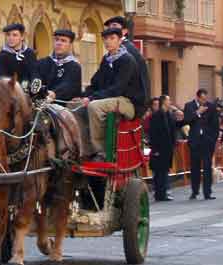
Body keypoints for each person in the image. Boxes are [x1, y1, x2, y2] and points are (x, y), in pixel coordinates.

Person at [75, 27, 143, 161]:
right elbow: (95, 83)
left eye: (112, 38)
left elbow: (117, 89)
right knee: (75, 107)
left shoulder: (127, 60)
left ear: (119, 41)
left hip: (127, 102)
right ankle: (84, 148)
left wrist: (92, 98)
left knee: (94, 107)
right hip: (111, 99)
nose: (108, 42)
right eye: (105, 39)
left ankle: (101, 151)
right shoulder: (106, 60)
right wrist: (83, 96)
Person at [104, 16, 151, 118]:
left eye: (115, 26)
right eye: (109, 27)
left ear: (124, 31)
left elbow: (121, 84)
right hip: (121, 96)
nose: (111, 28)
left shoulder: (126, 51)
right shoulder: (111, 53)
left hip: (131, 101)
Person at [184, 89, 219, 200]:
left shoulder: (211, 107)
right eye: (202, 99)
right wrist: (198, 112)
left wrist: (213, 139)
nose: (205, 101)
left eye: (206, 99)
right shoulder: (189, 106)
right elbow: (187, 120)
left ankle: (207, 192)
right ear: (198, 97)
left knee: (207, 167)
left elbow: (215, 125)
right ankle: (195, 191)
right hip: (195, 141)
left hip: (207, 142)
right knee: (195, 167)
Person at [37, 29, 82, 102]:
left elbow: (68, 85)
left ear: (70, 45)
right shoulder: (42, 62)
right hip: (41, 102)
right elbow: (37, 79)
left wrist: (54, 93)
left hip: (64, 105)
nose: (59, 43)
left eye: (63, 41)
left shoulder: (74, 66)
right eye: (56, 40)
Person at [149, 95, 178, 202]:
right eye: (168, 100)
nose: (170, 102)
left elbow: (172, 130)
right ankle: (159, 194)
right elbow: (153, 133)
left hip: (167, 148)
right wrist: (155, 149)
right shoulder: (156, 116)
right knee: (159, 172)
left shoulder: (169, 115)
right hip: (159, 148)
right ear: (164, 102)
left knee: (164, 170)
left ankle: (163, 193)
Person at [0, 23, 39, 89]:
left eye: (15, 35)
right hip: (10, 94)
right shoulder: (1, 57)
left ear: (22, 37)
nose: (10, 38)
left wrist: (35, 85)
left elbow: (35, 73)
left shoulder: (30, 53)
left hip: (30, 94)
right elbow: (2, 80)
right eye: (8, 35)